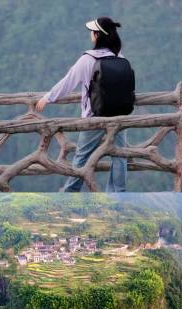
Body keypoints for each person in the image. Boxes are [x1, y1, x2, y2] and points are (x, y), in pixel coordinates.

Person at [36, 17, 129, 192]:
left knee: (82, 157)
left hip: (94, 116)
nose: (91, 35)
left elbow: (67, 83)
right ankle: (118, 195)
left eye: (93, 32)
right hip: (119, 115)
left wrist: (48, 97)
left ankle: (70, 193)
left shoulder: (87, 59)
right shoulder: (119, 57)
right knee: (120, 155)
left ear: (97, 35)